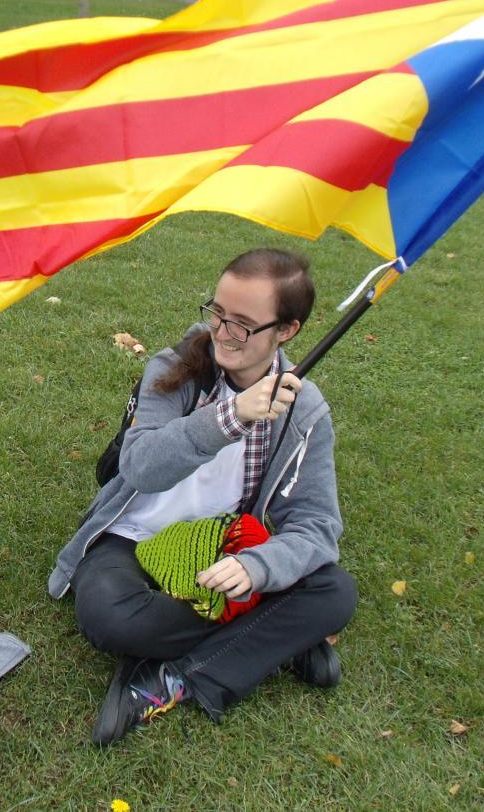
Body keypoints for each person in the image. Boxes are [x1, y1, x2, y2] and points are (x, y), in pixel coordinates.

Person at [48, 249, 358, 746]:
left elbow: (316, 525)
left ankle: (168, 679)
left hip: (218, 549)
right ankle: (280, 638)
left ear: (286, 331)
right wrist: (229, 417)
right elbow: (139, 467)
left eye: (242, 325)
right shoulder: (173, 370)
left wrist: (258, 566)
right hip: (131, 535)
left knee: (335, 591)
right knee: (108, 617)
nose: (221, 333)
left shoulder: (303, 409)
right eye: (216, 313)